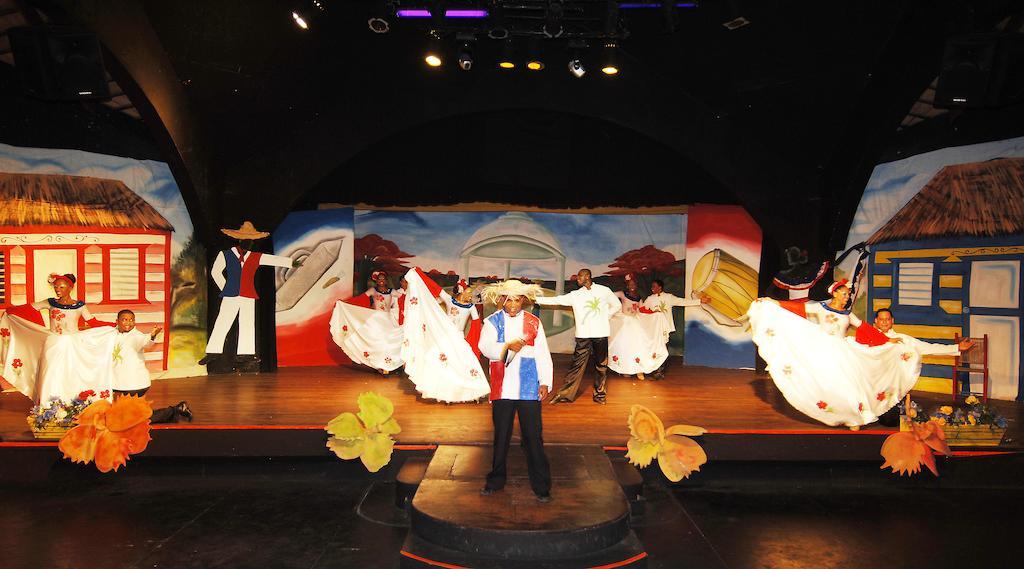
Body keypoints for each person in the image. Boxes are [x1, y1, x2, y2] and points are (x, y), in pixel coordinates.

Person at [746, 279, 924, 429]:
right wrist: (771, 302)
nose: (847, 297)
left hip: (842, 350)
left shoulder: (848, 313)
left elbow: (864, 328)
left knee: (849, 383)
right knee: (828, 384)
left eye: (848, 294)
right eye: (845, 294)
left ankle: (855, 417)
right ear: (835, 293)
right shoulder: (820, 307)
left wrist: (886, 341)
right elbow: (795, 308)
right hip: (822, 349)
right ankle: (839, 413)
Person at [478, 279, 553, 503]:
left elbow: (543, 354)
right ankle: (495, 481)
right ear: (501, 300)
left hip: (529, 388)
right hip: (502, 388)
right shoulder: (491, 322)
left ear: (524, 300)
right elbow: (484, 348)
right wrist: (506, 347)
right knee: (501, 437)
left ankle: (542, 487)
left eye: (517, 299)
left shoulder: (534, 322)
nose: (512, 304)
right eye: (508, 299)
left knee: (533, 438)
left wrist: (545, 382)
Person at [201, 221, 297, 366]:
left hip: (248, 294)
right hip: (230, 295)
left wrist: (291, 263)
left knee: (247, 323)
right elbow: (215, 272)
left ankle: (245, 354)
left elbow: (273, 260)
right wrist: (225, 288)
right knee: (223, 321)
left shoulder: (255, 256)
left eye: (251, 240)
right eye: (246, 240)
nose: (249, 243)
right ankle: (213, 352)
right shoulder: (226, 254)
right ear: (239, 240)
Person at [534, 268, 620, 404]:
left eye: (579, 276)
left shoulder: (604, 291)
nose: (577, 279)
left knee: (601, 366)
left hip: (601, 333)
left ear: (587, 276)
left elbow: (617, 305)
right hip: (583, 335)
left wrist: (605, 316)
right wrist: (534, 298)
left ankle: (600, 395)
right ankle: (565, 394)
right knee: (577, 365)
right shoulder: (575, 295)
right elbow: (557, 300)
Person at [110, 310, 193, 423]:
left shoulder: (135, 336)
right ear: (117, 321)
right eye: (125, 319)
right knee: (128, 415)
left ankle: (174, 411)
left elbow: (145, 342)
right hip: (120, 382)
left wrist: (152, 336)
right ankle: (176, 410)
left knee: (133, 419)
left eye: (131, 320)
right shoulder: (113, 333)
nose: (129, 322)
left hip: (134, 383)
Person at [330, 269, 405, 375]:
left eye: (383, 279)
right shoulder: (373, 290)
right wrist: (345, 303)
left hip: (387, 320)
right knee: (376, 342)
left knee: (387, 342)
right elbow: (360, 299)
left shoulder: (392, 291)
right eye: (379, 279)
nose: (381, 281)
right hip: (376, 320)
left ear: (386, 281)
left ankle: (387, 364)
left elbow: (404, 298)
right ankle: (378, 365)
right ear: (376, 281)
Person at [641, 278, 708, 379]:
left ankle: (660, 371)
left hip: (664, 327)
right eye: (652, 286)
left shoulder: (668, 297)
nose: (652, 288)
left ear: (660, 287)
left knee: (663, 347)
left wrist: (699, 301)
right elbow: (643, 310)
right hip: (654, 328)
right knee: (654, 347)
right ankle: (653, 368)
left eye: (654, 286)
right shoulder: (650, 299)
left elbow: (682, 301)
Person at [608, 274, 666, 381]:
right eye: (630, 284)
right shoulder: (622, 294)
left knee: (638, 345)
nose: (632, 286)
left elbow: (642, 309)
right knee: (624, 347)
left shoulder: (638, 297)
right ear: (627, 285)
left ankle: (639, 370)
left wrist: (654, 313)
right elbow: (609, 295)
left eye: (634, 284)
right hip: (624, 323)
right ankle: (626, 369)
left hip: (635, 323)